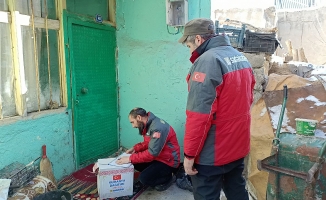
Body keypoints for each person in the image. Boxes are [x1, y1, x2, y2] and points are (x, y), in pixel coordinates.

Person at [177, 18, 256, 200]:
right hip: (237, 147)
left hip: (212, 154)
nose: (190, 51)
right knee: (237, 191)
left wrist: (189, 155)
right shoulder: (240, 58)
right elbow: (247, 100)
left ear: (198, 39)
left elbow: (199, 116)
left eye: (189, 46)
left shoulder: (207, 61)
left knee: (206, 195)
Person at [116, 107, 181, 191]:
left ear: (139, 117)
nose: (133, 126)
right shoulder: (149, 124)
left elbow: (152, 153)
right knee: (134, 162)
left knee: (144, 179)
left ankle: (169, 178)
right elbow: (149, 143)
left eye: (132, 122)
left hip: (168, 161)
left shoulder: (157, 128)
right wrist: (135, 148)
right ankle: (155, 173)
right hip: (159, 157)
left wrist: (130, 158)